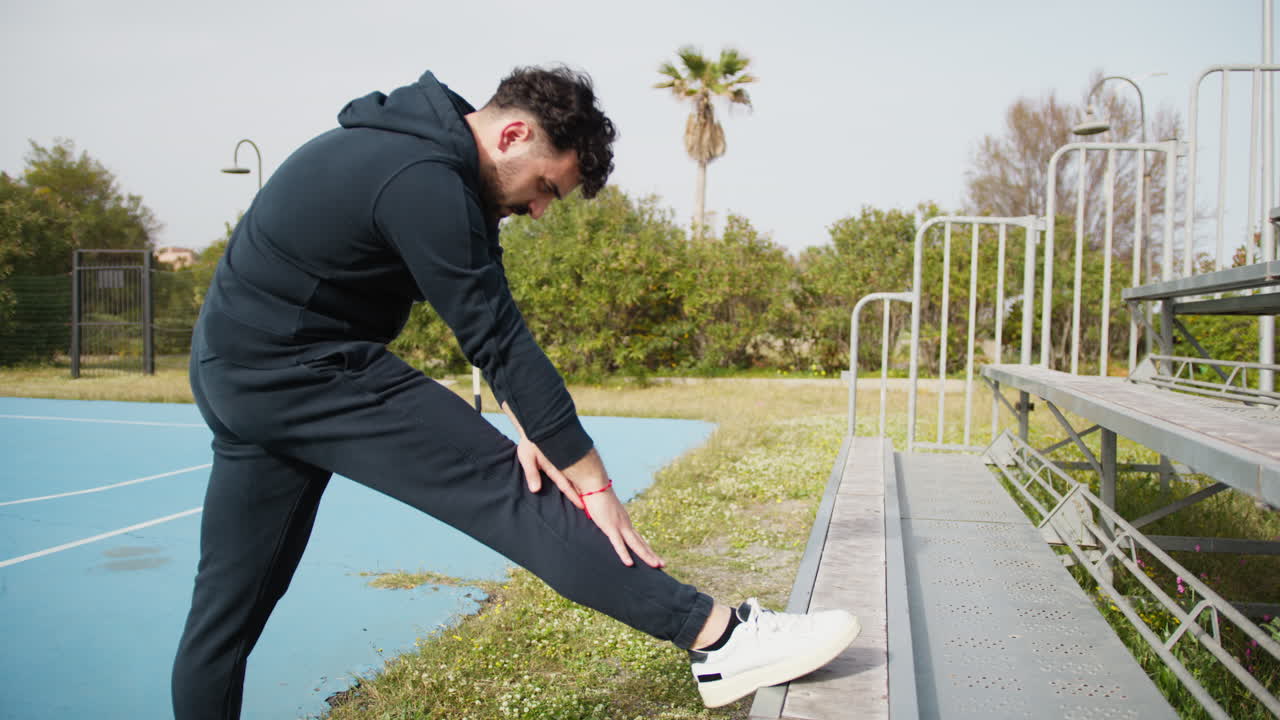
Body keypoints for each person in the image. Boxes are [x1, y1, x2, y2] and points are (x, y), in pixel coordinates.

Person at [172, 65, 859, 719]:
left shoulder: (410, 151)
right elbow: (498, 338)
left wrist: (533, 430)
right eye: (546, 188)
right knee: (515, 493)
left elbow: (492, 322)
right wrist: (593, 485)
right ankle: (721, 641)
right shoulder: (422, 178)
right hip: (304, 368)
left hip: (234, 370)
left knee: (227, 610)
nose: (537, 210)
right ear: (512, 135)